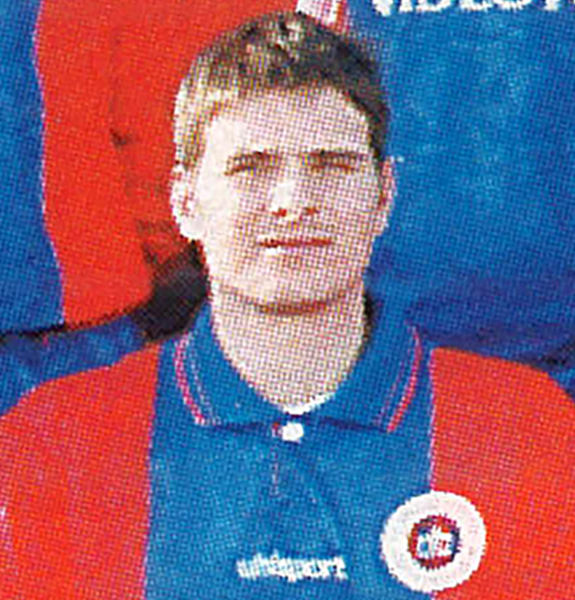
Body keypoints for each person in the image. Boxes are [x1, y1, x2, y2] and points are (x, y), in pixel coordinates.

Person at [0, 11, 573, 600]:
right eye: (250, 167)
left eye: (332, 166)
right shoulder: (59, 440)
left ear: (383, 197)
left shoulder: (528, 431)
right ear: (185, 202)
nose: (293, 201)